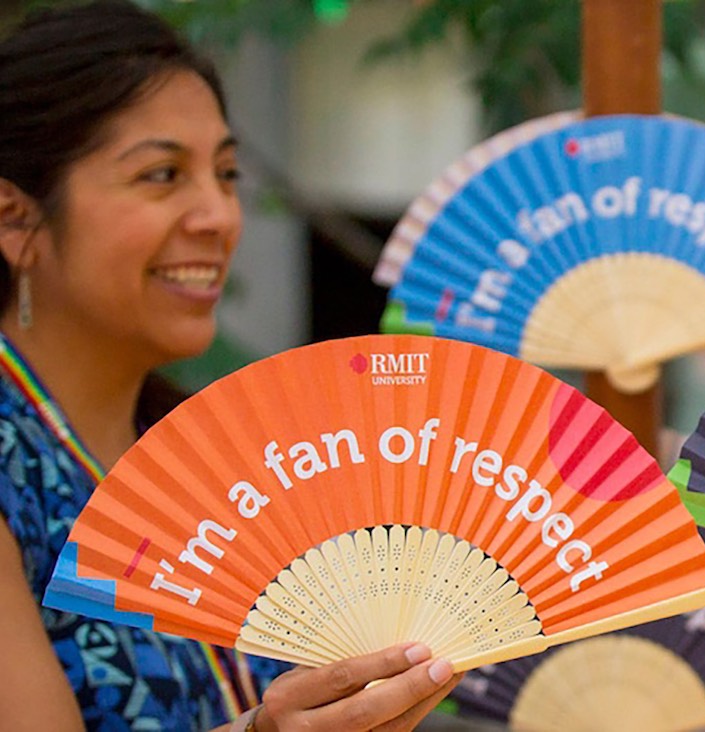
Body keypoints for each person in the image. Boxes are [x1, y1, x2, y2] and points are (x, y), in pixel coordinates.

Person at [0, 2, 461, 729]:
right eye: (161, 174)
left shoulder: (222, 459)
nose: (218, 215)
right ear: (16, 219)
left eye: (225, 173)